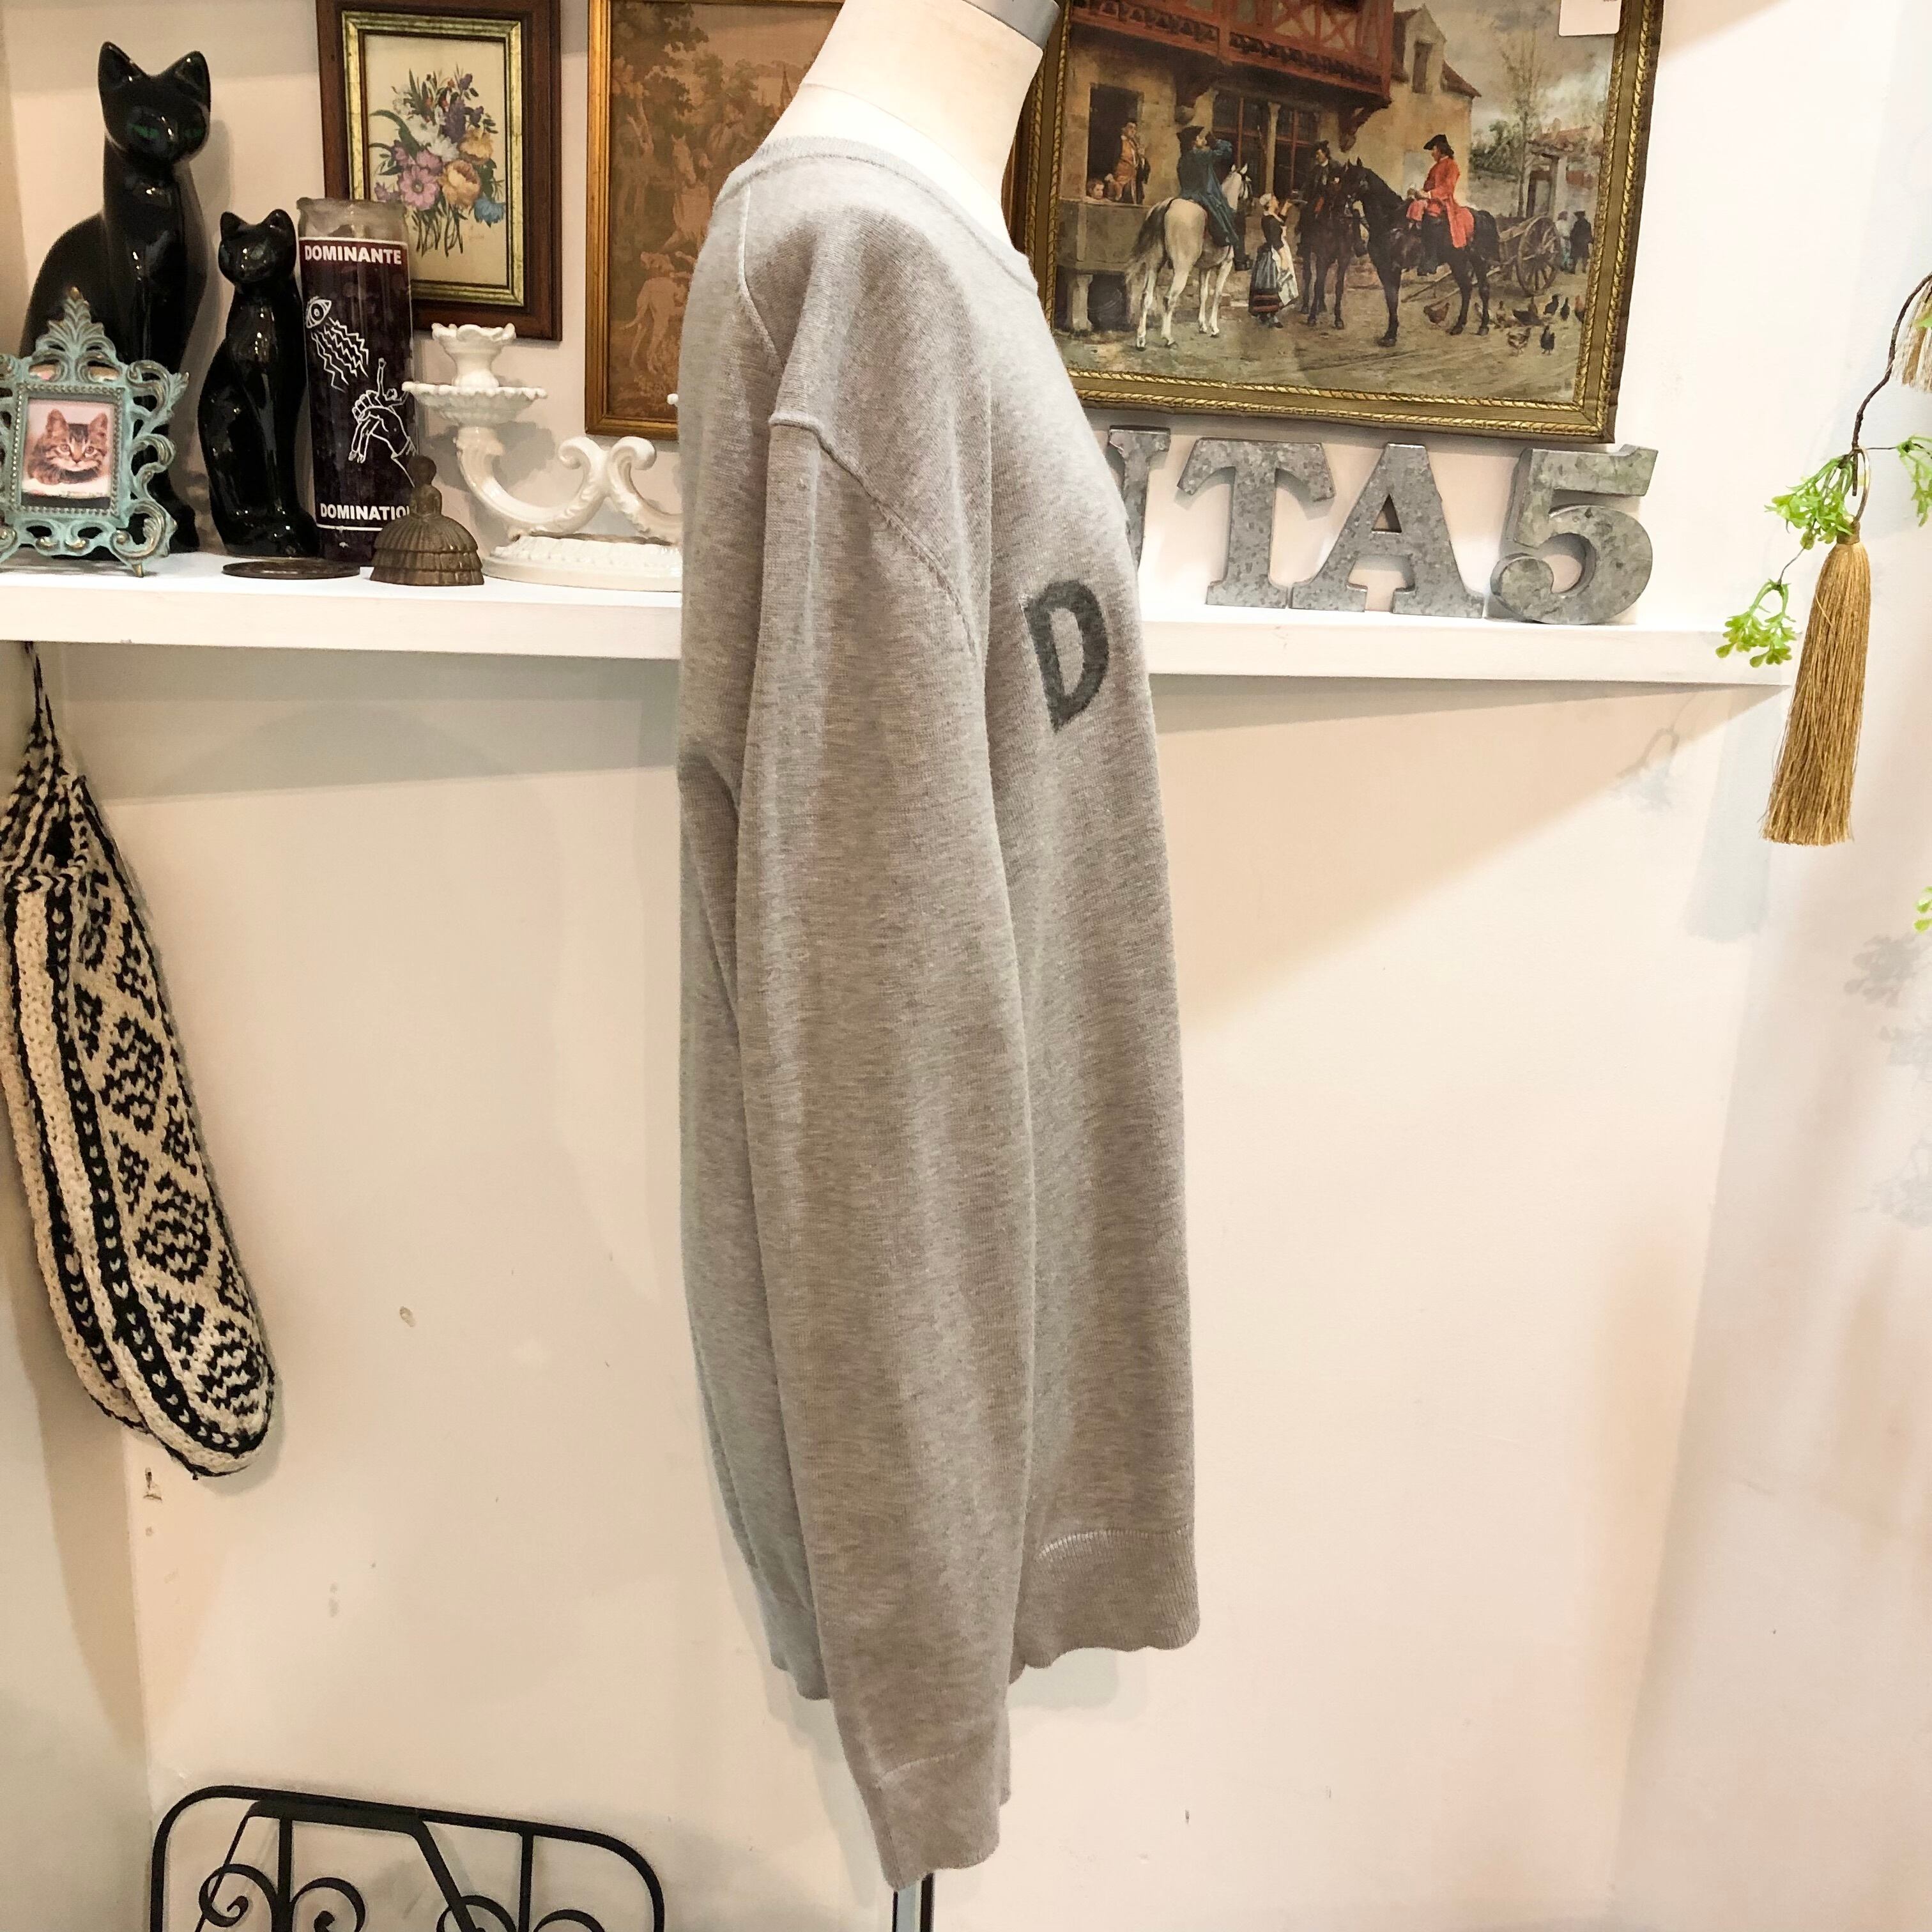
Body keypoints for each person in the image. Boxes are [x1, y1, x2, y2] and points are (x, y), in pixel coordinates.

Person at [1176, 123, 1248, 269]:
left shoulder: (1182, 160)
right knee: (1226, 213)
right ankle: (1226, 246)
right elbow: (1226, 152)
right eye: (1199, 138)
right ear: (1193, 142)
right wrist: (1215, 142)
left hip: (1184, 196)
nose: (1202, 140)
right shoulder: (1200, 156)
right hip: (1202, 195)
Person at [1406, 132, 1475, 251]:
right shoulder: (1434, 168)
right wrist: (1418, 192)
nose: (1432, 153)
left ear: (1441, 149)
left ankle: (1432, 253)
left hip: (1443, 202)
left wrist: (1429, 195)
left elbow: (1448, 188)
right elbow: (1427, 186)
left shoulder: (1452, 166)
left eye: (1433, 149)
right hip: (1430, 200)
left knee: (1432, 215)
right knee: (1414, 206)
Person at [1248, 192, 1291, 326]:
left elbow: (1280, 221)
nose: (1277, 201)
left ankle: (1266, 315)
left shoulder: (1270, 218)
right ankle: (1270, 315)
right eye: (1275, 199)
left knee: (1270, 283)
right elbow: (1276, 240)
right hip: (1273, 254)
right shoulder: (1270, 220)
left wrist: (1286, 207)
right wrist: (1284, 258)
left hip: (1271, 251)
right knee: (1271, 283)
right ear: (1270, 203)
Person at [1109, 116, 1148, 204]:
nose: (1133, 131)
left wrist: (1142, 157)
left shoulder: (1135, 145)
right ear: (1123, 129)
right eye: (1130, 128)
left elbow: (1139, 165)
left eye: (1135, 129)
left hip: (1133, 183)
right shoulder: (1118, 142)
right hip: (1120, 180)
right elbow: (1112, 159)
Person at [1568, 206, 1594, 275]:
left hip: (1578, 242)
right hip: (1582, 242)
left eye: (1578, 215)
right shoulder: (1586, 224)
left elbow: (1574, 232)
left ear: (1581, 215)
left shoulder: (1578, 224)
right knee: (1583, 255)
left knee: (1578, 255)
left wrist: (1572, 238)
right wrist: (1590, 240)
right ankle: (1581, 268)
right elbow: (1589, 234)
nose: (1578, 217)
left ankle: (1576, 268)